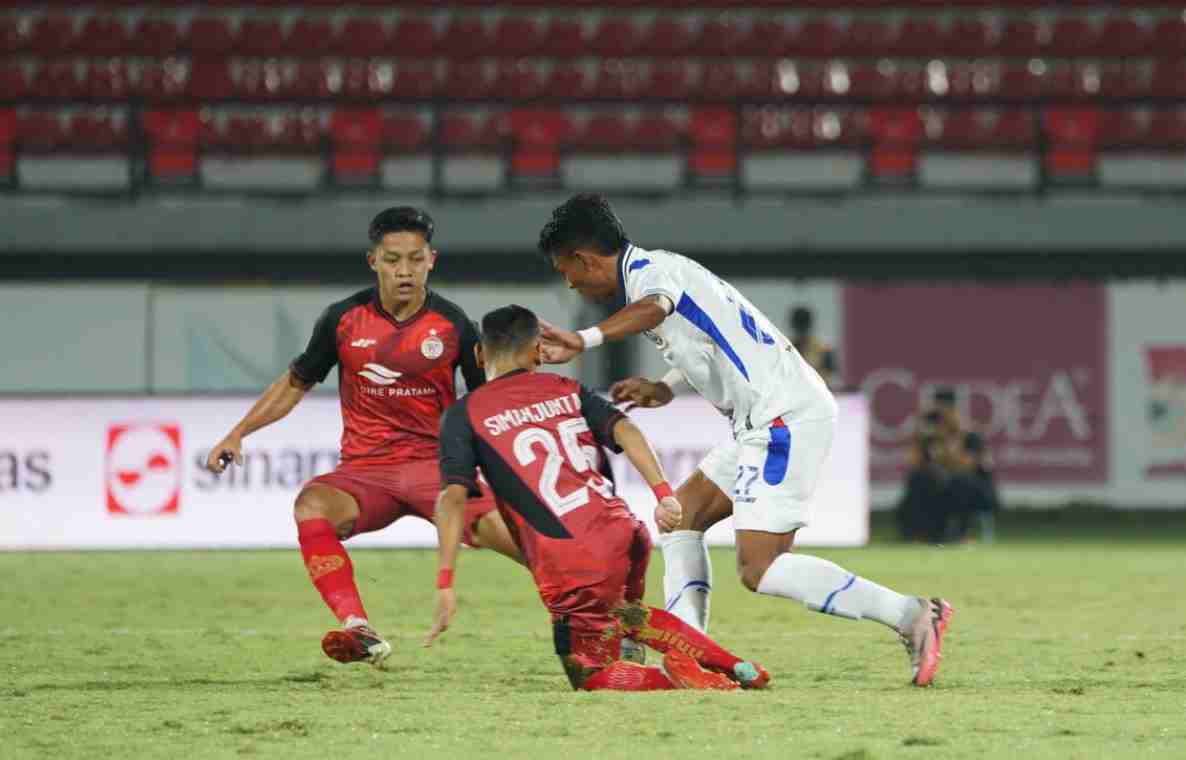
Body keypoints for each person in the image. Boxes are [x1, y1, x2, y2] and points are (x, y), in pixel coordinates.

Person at [534, 193, 954, 687]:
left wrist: (584, 339)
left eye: (568, 270)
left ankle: (912, 614)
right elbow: (712, 339)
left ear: (583, 258)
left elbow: (654, 309)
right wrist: (664, 387)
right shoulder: (661, 270)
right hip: (763, 422)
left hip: (783, 418)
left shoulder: (650, 281)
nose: (570, 282)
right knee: (680, 517)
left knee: (761, 567)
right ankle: (688, 650)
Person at [205, 206, 521, 668]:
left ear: (432, 260)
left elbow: (486, 401)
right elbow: (296, 382)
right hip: (365, 474)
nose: (405, 271)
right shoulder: (342, 319)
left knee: (517, 537)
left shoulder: (454, 325)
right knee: (311, 506)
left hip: (434, 471)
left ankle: (594, 613)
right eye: (393, 260)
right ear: (373, 261)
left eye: (415, 259)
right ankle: (359, 628)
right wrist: (239, 432)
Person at [425, 304, 770, 692]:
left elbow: (453, 497)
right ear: (538, 351)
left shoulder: (464, 413)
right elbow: (626, 430)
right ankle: (740, 668)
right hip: (623, 531)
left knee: (587, 672)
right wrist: (662, 493)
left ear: (478, 355)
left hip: (572, 558)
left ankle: (676, 680)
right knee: (626, 614)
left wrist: (445, 581)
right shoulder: (567, 389)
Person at [788, 305, 838, 389]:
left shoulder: (823, 349)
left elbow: (831, 377)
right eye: (799, 327)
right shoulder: (787, 348)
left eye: (803, 327)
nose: (801, 332)